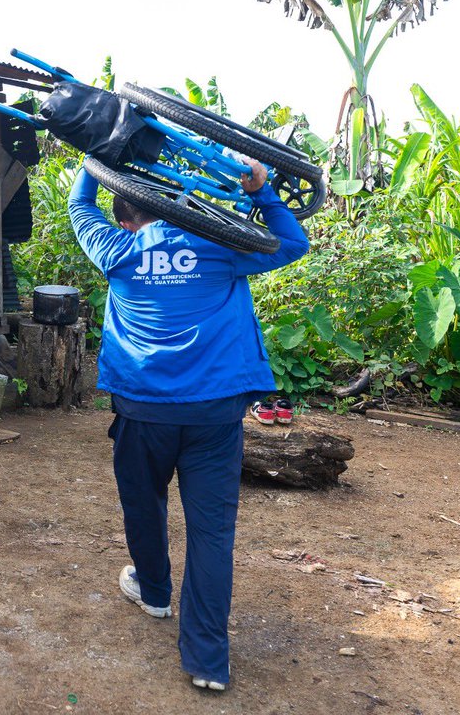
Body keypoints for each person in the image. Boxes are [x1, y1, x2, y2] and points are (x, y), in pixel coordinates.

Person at [68, 157, 309, 693]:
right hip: (214, 415)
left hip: (142, 411)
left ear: (127, 218)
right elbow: (292, 245)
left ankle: (153, 592)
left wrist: (92, 158)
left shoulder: (117, 250)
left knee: (142, 502)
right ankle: (206, 661)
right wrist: (263, 192)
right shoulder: (220, 245)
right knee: (211, 534)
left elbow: (79, 205)